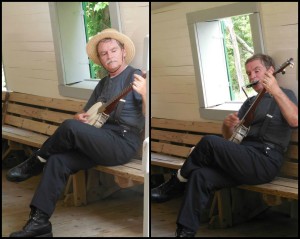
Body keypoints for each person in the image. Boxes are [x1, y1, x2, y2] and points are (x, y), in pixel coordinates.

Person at [6, 28, 146, 237]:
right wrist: (79, 117)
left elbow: (148, 115)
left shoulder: (138, 78)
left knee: (69, 128)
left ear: (123, 51)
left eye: (113, 50)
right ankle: (39, 222)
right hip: (98, 138)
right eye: (104, 54)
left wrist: (145, 94)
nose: (110, 56)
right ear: (100, 59)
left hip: (122, 143)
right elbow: (85, 113)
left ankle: (37, 160)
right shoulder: (103, 83)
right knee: (58, 161)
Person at [151, 54, 298, 237]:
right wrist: (227, 127)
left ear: (270, 72)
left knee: (209, 142)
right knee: (199, 175)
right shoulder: (249, 103)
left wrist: (275, 90)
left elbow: (295, 120)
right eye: (248, 73)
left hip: (265, 162)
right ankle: (185, 232)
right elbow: (233, 140)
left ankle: (176, 182)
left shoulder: (286, 95)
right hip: (243, 159)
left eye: (256, 71)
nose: (252, 77)